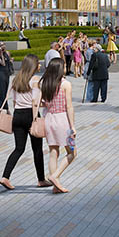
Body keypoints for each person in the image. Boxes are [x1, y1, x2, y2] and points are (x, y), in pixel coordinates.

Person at [0, 55, 51, 190]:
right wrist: (36, 116)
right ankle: (41, 180)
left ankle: (5, 176)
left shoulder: (16, 80)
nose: (39, 66)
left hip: (18, 115)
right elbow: (35, 102)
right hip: (30, 115)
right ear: (33, 66)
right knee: (37, 149)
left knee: (19, 148)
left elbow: (15, 101)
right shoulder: (35, 80)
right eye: (38, 64)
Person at [38, 58, 76, 193]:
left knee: (53, 151)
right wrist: (73, 126)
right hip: (62, 120)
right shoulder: (66, 84)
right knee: (72, 152)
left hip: (49, 119)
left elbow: (41, 103)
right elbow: (69, 106)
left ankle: (56, 186)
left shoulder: (44, 84)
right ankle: (55, 176)